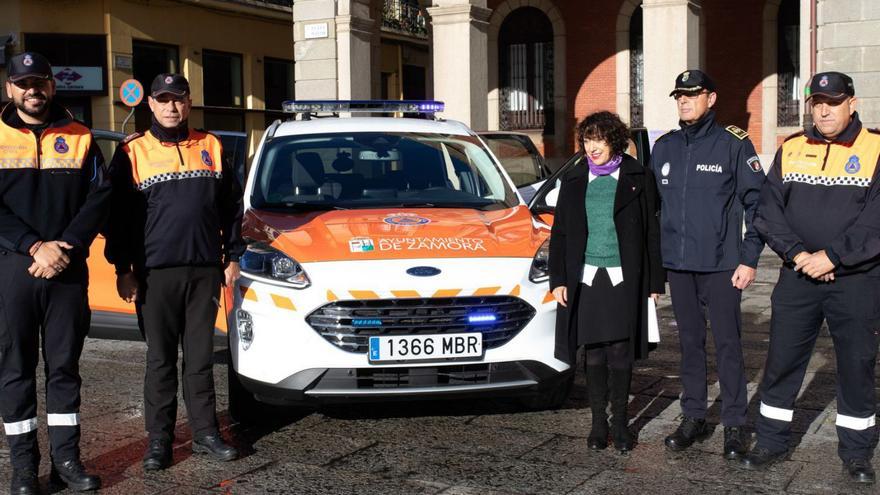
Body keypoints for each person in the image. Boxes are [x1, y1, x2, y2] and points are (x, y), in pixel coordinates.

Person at [743, 72, 880, 484]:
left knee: (857, 365)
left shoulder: (876, 148)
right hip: (798, 276)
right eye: (816, 101)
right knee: (782, 360)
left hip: (856, 280)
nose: (823, 110)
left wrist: (834, 256)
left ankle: (856, 451)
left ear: (851, 104)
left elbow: (877, 220)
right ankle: (771, 440)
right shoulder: (792, 148)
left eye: (832, 102)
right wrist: (800, 254)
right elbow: (767, 210)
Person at [105, 73, 245, 471]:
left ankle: (205, 433)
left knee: (200, 359)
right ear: (150, 103)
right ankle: (159, 441)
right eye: (163, 100)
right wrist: (122, 269)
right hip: (154, 274)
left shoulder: (212, 145)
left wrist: (232, 256)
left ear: (188, 102)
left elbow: (232, 208)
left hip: (203, 271)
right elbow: (118, 218)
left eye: (178, 99)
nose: (171, 107)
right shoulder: (133, 152)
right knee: (161, 361)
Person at [0, 52, 107, 493]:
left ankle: (66, 460)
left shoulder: (81, 137)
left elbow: (100, 198)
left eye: (39, 81)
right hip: (13, 267)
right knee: (15, 369)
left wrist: (64, 246)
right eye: (23, 83)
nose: (32, 90)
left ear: (52, 85)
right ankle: (23, 467)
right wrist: (34, 245)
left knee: (64, 367)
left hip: (66, 267)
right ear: (9, 89)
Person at [649, 69, 766, 460]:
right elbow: (652, 211)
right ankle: (693, 416)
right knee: (689, 344)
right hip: (679, 266)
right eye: (679, 95)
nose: (684, 101)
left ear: (710, 99)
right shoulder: (663, 147)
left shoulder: (732, 144)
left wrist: (749, 259)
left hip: (721, 264)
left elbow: (759, 205)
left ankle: (734, 423)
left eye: (693, 94)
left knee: (729, 345)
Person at [549, 111, 665, 452]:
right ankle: (598, 423)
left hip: (623, 278)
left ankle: (620, 424)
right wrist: (558, 278)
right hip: (585, 277)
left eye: (598, 139)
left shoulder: (638, 176)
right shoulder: (573, 179)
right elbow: (560, 234)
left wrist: (655, 283)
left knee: (620, 352)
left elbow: (651, 233)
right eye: (586, 140)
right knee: (594, 353)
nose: (591, 147)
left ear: (614, 140)